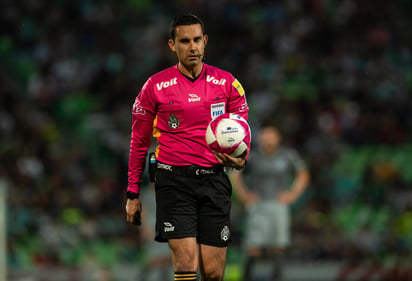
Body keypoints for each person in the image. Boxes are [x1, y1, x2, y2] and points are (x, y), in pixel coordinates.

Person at [125, 14, 249, 281]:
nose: (192, 47)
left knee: (214, 273)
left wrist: (242, 157)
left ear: (205, 42)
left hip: (214, 180)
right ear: (172, 45)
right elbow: (139, 142)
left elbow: (241, 131)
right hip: (173, 181)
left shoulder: (227, 84)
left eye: (196, 40)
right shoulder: (155, 87)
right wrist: (132, 193)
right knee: (185, 262)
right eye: (184, 41)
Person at [229, 121, 310, 281]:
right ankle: (247, 276)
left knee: (278, 245)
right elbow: (235, 172)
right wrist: (243, 194)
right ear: (260, 138)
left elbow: (303, 174)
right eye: (265, 136)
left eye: (271, 136)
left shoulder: (288, 155)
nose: (268, 140)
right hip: (258, 205)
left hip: (278, 204)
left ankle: (277, 277)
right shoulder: (252, 155)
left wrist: (293, 194)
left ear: (278, 138)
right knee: (253, 246)